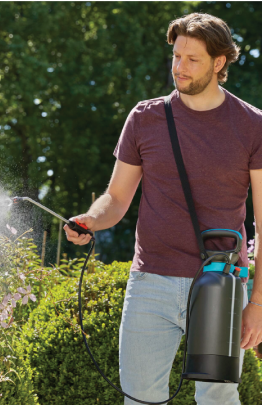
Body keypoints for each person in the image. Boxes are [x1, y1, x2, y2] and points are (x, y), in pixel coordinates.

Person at [64, 12, 262, 404]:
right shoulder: (145, 117)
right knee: (139, 399)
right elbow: (116, 198)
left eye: (192, 59)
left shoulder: (252, 125)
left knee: (218, 400)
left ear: (219, 63)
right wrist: (91, 220)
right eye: (176, 56)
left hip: (222, 285)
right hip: (150, 282)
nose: (180, 68)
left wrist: (256, 303)